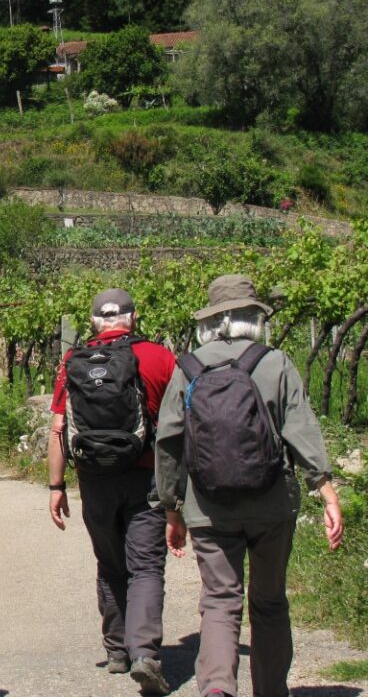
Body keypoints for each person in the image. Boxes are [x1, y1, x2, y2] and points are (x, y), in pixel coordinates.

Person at [155, 274, 344, 697]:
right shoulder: (275, 363)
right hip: (271, 503)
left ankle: (217, 689)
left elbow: (168, 440)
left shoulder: (188, 367)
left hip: (208, 506)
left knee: (220, 600)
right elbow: (300, 429)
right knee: (269, 601)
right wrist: (326, 490)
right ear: (254, 318)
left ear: (211, 321)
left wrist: (171, 506)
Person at [47, 288, 176, 694]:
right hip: (146, 476)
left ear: (93, 322)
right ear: (133, 318)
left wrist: (56, 486)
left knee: (109, 562)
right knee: (146, 566)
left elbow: (58, 428)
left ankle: (117, 650)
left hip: (94, 478)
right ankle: (144, 653)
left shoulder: (73, 361)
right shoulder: (159, 357)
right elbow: (178, 425)